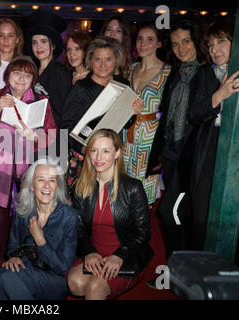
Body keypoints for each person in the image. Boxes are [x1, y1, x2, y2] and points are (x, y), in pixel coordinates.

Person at [146, 20, 206, 285]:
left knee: (171, 211)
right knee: (175, 213)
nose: (181, 48)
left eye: (186, 41)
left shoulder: (205, 74)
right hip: (172, 153)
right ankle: (178, 271)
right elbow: (167, 115)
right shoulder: (176, 73)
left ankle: (179, 271)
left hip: (191, 157)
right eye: (175, 43)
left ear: (196, 42)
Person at [67, 129, 153, 300]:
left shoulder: (132, 188)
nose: (98, 157)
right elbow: (79, 228)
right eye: (94, 150)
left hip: (126, 255)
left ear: (117, 153)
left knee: (95, 287)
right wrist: (89, 252)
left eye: (106, 151)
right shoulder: (80, 186)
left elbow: (144, 233)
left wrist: (120, 255)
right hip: (96, 254)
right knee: (75, 283)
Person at [0, 56, 57, 264]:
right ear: (8, 75)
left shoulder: (40, 102)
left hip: (29, 166)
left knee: (27, 212)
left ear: (33, 80)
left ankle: (23, 254)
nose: (21, 78)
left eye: (27, 75)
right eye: (17, 73)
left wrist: (34, 137)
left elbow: (53, 135)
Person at [0, 157, 78, 299]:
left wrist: (41, 241)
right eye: (41, 180)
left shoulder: (69, 216)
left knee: (4, 277)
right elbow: (12, 245)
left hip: (54, 279)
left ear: (57, 185)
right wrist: (14, 257)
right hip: (26, 270)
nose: (47, 186)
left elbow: (64, 268)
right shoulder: (23, 211)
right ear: (31, 185)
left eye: (52, 180)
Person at [61, 37, 143, 188]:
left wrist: (134, 113)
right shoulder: (81, 87)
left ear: (115, 60)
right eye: (98, 59)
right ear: (90, 61)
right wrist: (83, 148)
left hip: (111, 155)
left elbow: (125, 124)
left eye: (108, 59)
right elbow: (65, 125)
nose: (103, 64)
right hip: (83, 158)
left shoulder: (122, 84)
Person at [188, 20, 239, 250]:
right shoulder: (205, 74)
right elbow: (194, 113)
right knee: (201, 215)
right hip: (210, 149)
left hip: (235, 152)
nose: (214, 49)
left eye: (221, 42)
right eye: (210, 45)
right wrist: (220, 94)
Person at [122, 24, 172, 206]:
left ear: (159, 43)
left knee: (146, 188)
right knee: (125, 184)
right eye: (140, 39)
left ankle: (142, 229)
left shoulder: (168, 72)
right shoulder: (130, 69)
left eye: (150, 39)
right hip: (127, 133)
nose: (143, 43)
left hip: (150, 137)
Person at [24, 10, 72, 128]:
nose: (38, 46)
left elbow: (66, 113)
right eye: (34, 42)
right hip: (31, 134)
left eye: (43, 41)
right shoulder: (30, 71)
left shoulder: (61, 73)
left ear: (53, 45)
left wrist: (62, 143)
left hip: (54, 137)